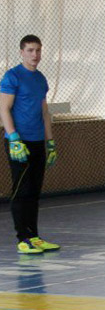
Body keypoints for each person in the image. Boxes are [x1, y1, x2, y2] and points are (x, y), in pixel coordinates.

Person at [0, 35, 59, 254]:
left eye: (38, 50)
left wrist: (50, 142)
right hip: (20, 142)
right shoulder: (12, 76)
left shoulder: (40, 79)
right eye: (30, 50)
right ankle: (23, 238)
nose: (35, 55)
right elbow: (3, 109)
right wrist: (13, 138)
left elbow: (45, 113)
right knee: (22, 190)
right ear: (22, 52)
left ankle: (34, 236)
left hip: (37, 141)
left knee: (34, 190)